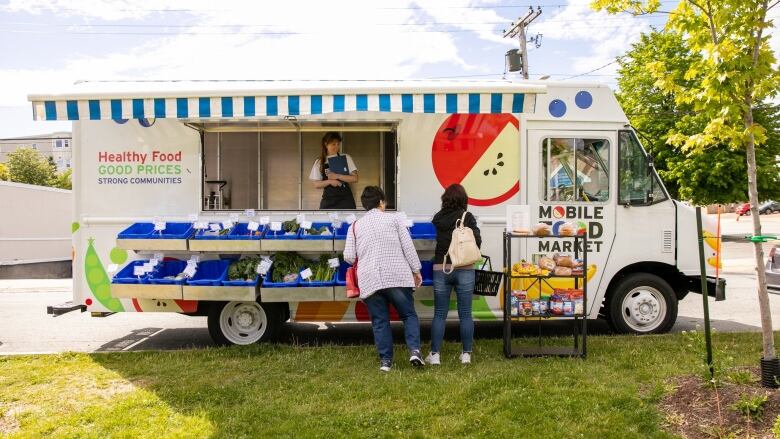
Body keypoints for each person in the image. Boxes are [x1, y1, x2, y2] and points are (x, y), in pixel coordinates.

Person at [343, 186, 425, 372]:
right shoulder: (394, 219)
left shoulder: (355, 226)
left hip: (370, 279)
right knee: (408, 315)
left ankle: (386, 362)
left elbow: (348, 256)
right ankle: (414, 351)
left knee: (380, 321)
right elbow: (408, 248)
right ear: (381, 202)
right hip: (396, 275)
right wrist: (416, 270)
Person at [427, 183, 482, 365]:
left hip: (441, 269)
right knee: (465, 314)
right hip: (464, 268)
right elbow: (477, 242)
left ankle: (435, 355)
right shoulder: (468, 217)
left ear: (445, 199)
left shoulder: (437, 218)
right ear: (463, 200)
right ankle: (466, 354)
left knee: (439, 314)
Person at [309, 132, 358, 209]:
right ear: (326, 144)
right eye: (333, 144)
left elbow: (355, 178)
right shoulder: (319, 161)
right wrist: (330, 181)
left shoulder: (346, 157)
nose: (337, 147)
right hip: (329, 200)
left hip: (345, 200)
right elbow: (316, 184)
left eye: (338, 144)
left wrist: (338, 176)